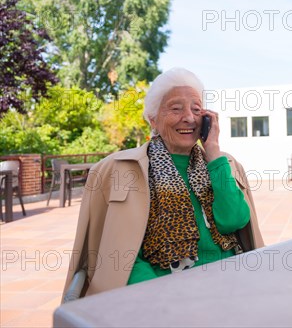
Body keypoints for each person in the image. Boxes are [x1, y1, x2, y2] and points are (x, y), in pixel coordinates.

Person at [63, 68, 264, 298]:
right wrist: (169, 297)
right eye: (176, 108)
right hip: (165, 296)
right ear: (153, 119)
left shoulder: (223, 164)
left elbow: (234, 221)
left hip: (229, 284)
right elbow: (123, 258)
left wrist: (214, 155)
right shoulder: (120, 170)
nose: (188, 117)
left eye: (196, 109)